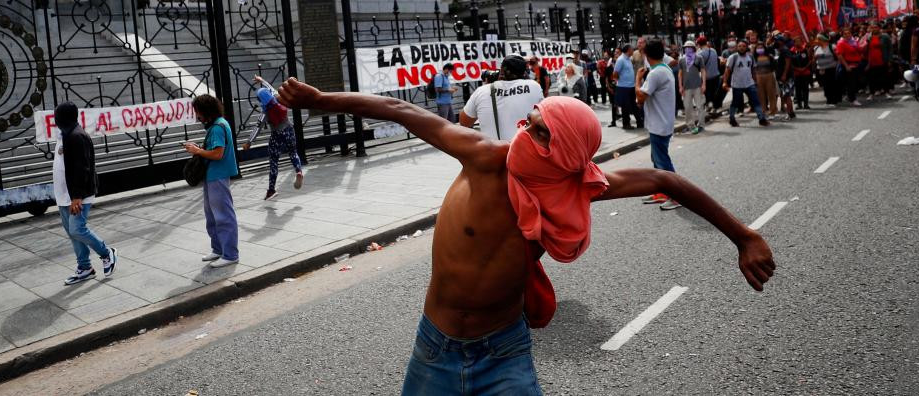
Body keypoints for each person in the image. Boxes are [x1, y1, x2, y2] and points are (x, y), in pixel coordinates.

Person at [275, 79, 775, 395]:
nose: (521, 133)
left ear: (567, 154)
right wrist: (321, 101)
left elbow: (666, 180)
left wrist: (743, 236)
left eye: (537, 132)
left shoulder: (576, 188)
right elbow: (399, 108)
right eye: (527, 122)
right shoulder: (482, 157)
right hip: (436, 348)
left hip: (504, 351)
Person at [52, 101, 117, 285]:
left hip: (77, 196)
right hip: (65, 195)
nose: (55, 119)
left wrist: (77, 197)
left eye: (57, 116)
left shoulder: (76, 136)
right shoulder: (65, 135)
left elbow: (82, 168)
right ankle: (84, 267)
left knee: (77, 229)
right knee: (72, 233)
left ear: (64, 117)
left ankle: (106, 253)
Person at [184, 95, 240, 267]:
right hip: (213, 175)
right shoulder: (219, 124)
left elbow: (218, 154)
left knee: (222, 215)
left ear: (205, 111)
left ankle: (230, 255)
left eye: (198, 112)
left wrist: (197, 151)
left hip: (218, 174)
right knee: (212, 215)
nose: (197, 116)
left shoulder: (217, 128)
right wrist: (200, 149)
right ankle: (218, 249)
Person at [243, 75, 304, 200]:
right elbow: (270, 89)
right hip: (289, 130)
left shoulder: (265, 113)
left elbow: (257, 127)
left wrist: (249, 142)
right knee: (293, 152)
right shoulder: (278, 98)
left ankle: (271, 190)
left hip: (277, 135)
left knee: (274, 162)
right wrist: (262, 81)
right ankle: (298, 170)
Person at [637, 39, 682, 210]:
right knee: (657, 159)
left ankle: (676, 195)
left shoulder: (656, 73)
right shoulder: (663, 69)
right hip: (660, 121)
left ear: (647, 55)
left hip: (660, 123)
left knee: (662, 162)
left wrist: (637, 79)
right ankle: (662, 191)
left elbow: (641, 96)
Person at [461, 55, 544, 140]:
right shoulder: (534, 86)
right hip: (525, 149)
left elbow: (464, 122)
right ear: (524, 73)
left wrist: (489, 86)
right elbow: (543, 118)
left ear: (501, 71)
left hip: (493, 150)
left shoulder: (482, 91)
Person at [724, 41, 770, 128]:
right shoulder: (733, 57)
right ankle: (732, 119)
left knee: (756, 101)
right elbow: (727, 71)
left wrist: (756, 81)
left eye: (743, 46)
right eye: (740, 46)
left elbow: (753, 70)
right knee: (735, 103)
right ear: (737, 47)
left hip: (749, 83)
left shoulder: (750, 57)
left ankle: (762, 119)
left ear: (746, 47)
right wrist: (724, 82)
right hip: (737, 85)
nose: (741, 48)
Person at [678, 40, 706, 134]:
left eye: (690, 47)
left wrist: (704, 84)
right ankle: (690, 125)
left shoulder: (699, 58)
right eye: (686, 48)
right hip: (686, 87)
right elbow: (680, 74)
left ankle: (701, 125)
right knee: (687, 107)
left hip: (697, 86)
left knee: (700, 106)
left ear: (693, 48)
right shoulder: (682, 59)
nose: (688, 49)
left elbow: (703, 71)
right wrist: (680, 86)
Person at [834, 27, 866, 106]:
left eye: (849, 33)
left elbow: (859, 50)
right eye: (845, 34)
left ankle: (850, 96)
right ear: (843, 35)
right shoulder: (841, 43)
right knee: (851, 83)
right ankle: (852, 99)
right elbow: (839, 55)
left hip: (857, 64)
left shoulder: (854, 41)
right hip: (849, 65)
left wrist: (864, 45)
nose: (847, 35)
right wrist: (846, 66)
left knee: (856, 82)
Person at [613, 43, 642, 129]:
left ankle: (639, 122)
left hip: (631, 86)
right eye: (632, 49)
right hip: (623, 87)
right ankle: (626, 124)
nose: (633, 50)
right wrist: (621, 80)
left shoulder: (628, 59)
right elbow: (615, 73)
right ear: (628, 50)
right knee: (625, 106)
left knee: (634, 105)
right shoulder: (621, 60)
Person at [696, 36, 724, 118]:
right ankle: (714, 108)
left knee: (707, 93)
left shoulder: (700, 54)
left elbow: (697, 66)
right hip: (716, 75)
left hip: (707, 77)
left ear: (699, 44)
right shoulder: (713, 50)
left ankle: (709, 106)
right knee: (715, 93)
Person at [753, 42, 779, 119]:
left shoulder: (770, 56)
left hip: (769, 75)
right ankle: (763, 112)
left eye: (761, 48)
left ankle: (772, 111)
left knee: (771, 94)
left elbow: (775, 66)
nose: (760, 49)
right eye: (758, 48)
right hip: (758, 76)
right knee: (760, 95)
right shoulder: (753, 57)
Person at [814, 33, 841, 106]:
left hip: (831, 69)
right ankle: (828, 100)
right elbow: (814, 59)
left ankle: (833, 101)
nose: (817, 40)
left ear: (823, 40)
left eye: (819, 39)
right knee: (825, 85)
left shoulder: (832, 46)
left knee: (832, 84)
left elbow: (838, 56)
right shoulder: (816, 48)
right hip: (821, 69)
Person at [866, 23, 892, 98]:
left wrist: (890, 60)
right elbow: (867, 49)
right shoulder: (869, 37)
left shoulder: (885, 36)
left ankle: (886, 92)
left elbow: (890, 49)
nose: (874, 29)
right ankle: (871, 94)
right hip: (872, 60)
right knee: (872, 78)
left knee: (884, 77)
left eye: (876, 27)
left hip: (882, 59)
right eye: (873, 27)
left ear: (879, 28)